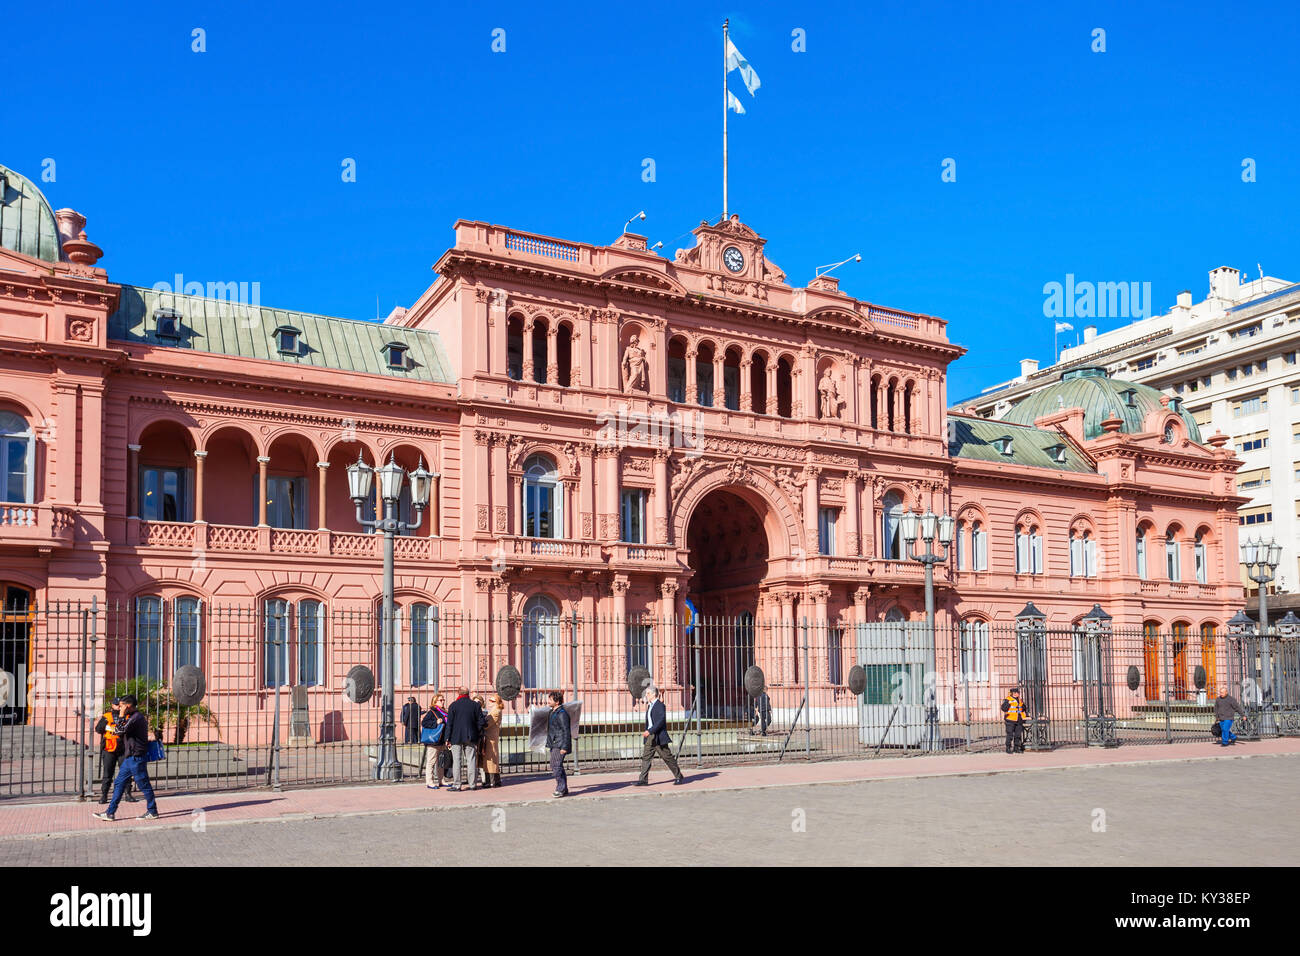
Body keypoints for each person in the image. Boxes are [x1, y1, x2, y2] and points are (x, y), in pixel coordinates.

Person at [92, 695, 159, 821]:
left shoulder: (136, 718)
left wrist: (122, 715)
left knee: (144, 785)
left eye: (122, 706)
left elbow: (119, 730)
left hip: (136, 757)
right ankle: (110, 812)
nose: (119, 708)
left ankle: (152, 811)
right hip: (130, 758)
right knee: (118, 783)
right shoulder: (133, 717)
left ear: (128, 706)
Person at [637, 686, 685, 786]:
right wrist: (648, 731)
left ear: (654, 694)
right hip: (650, 736)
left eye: (648, 693)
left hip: (658, 736)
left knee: (667, 757)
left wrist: (650, 730)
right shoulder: (650, 705)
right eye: (646, 693)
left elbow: (660, 721)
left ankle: (678, 776)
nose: (646, 695)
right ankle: (643, 780)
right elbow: (650, 721)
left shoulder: (660, 705)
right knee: (646, 757)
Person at [94, 697, 135, 805]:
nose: (119, 706)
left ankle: (128, 794)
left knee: (126, 772)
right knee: (107, 773)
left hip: (123, 748)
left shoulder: (127, 716)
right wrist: (107, 726)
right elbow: (98, 729)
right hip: (109, 748)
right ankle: (104, 795)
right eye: (117, 705)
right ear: (112, 705)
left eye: (120, 705)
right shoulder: (107, 716)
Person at [444, 688, 484, 792]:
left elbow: (449, 724)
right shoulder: (475, 705)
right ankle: (472, 784)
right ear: (468, 693)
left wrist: (447, 738)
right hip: (470, 736)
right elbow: (481, 721)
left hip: (455, 736)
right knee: (471, 760)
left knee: (456, 761)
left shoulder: (453, 705)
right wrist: (476, 731)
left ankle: (457, 785)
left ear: (458, 693)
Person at [421, 693, 449, 789]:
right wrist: (435, 723)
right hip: (433, 741)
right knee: (431, 761)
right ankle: (429, 781)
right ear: (435, 702)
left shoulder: (444, 712)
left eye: (443, 700)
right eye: (440, 700)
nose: (443, 701)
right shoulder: (432, 712)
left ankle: (441, 780)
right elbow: (424, 723)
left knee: (441, 761)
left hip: (442, 740)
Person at [547, 691, 571, 797]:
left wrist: (564, 747)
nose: (548, 701)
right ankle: (564, 788)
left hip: (560, 744)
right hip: (554, 743)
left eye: (550, 699)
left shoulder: (562, 713)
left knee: (556, 765)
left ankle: (560, 788)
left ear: (556, 702)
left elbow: (566, 731)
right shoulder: (552, 712)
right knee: (557, 765)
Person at [481, 693, 504, 789]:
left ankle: (491, 781)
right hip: (490, 737)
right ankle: (495, 780)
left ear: (497, 702)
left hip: (491, 738)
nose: (489, 702)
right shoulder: (493, 711)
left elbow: (486, 724)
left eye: (492, 701)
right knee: (490, 759)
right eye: (489, 700)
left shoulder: (496, 711)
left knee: (491, 759)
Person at [1001, 687, 1027, 754]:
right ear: (1012, 693)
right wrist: (1008, 704)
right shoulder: (1008, 699)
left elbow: (1024, 708)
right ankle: (1008, 748)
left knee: (1018, 735)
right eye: (1015, 693)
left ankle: (1016, 748)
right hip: (1010, 719)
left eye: (1017, 693)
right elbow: (1003, 708)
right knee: (1010, 734)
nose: (1016, 694)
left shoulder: (1020, 700)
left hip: (1019, 719)